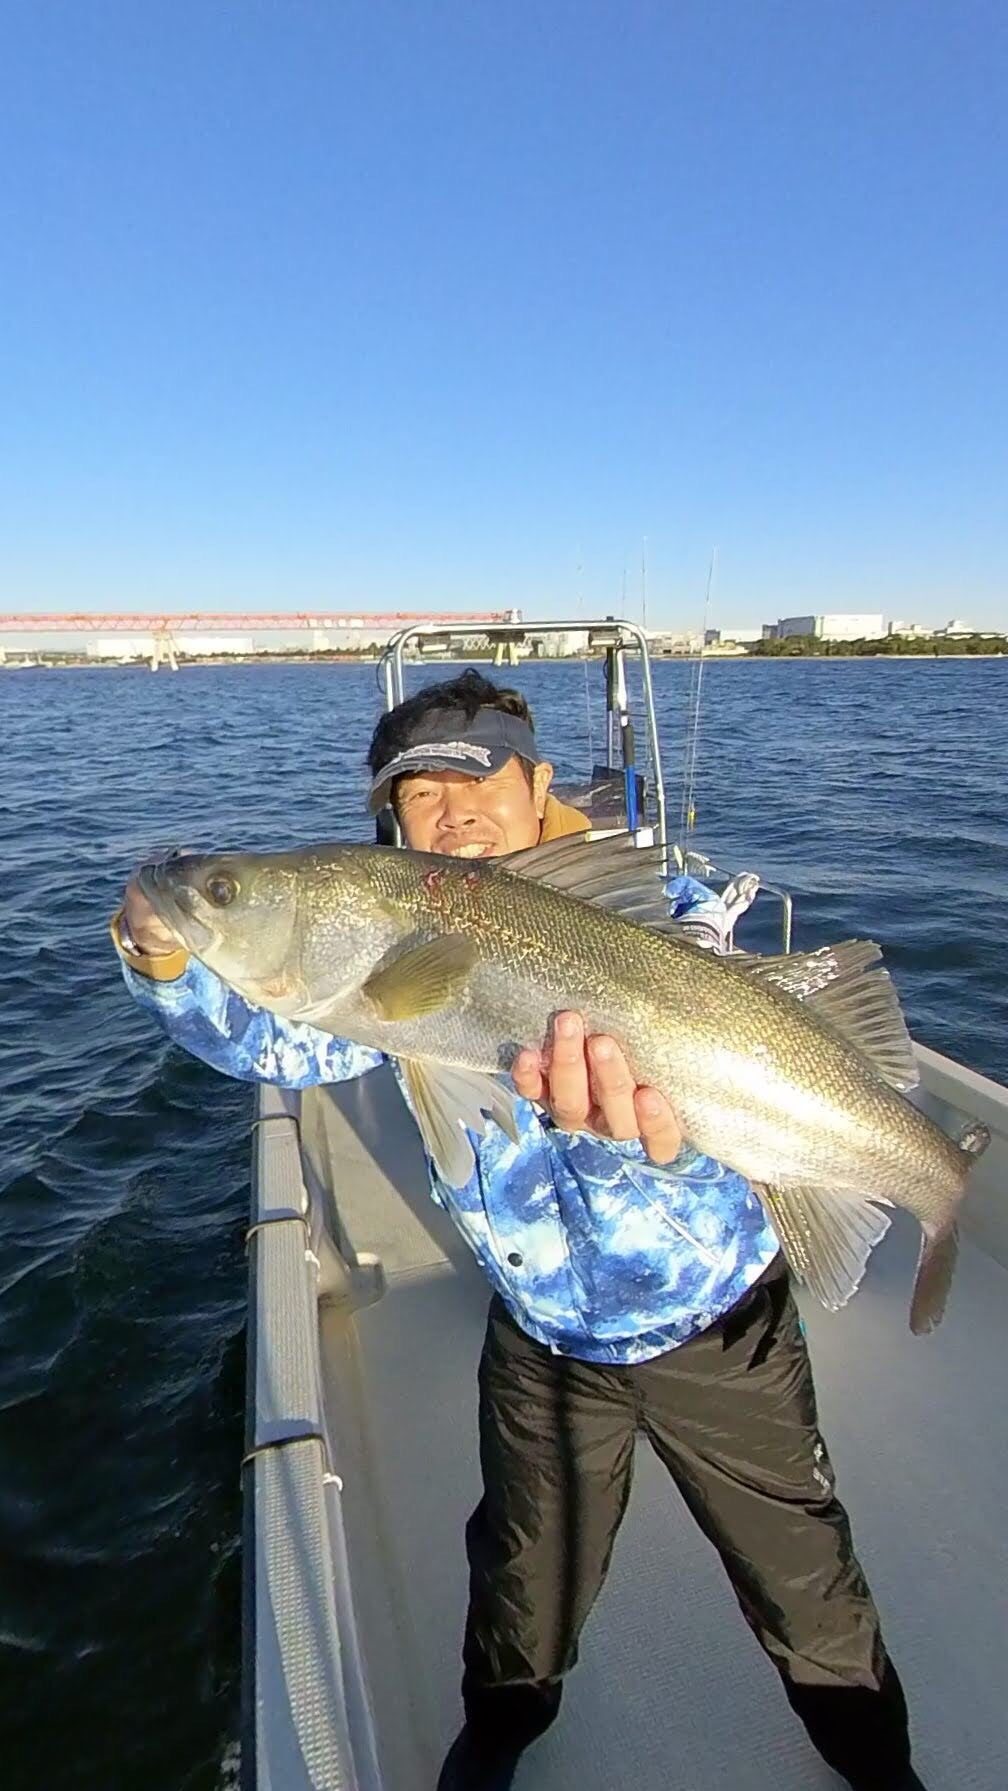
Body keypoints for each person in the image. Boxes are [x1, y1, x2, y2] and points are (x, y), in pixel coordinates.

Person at [111, 670, 924, 1791]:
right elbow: (279, 1045)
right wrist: (165, 951)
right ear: (387, 827)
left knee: (802, 1573)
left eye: (474, 773)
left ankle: (875, 1758)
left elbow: (737, 1015)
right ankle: (502, 1725)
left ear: (539, 783)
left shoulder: (665, 910)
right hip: (543, 1334)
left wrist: (676, 1138)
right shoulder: (375, 955)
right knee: (521, 1571)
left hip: (717, 1329)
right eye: (414, 795)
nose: (448, 806)